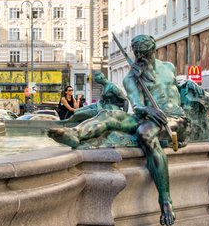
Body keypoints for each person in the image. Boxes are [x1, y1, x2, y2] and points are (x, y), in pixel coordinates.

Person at [49, 35, 195, 226]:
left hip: (176, 120)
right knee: (109, 114)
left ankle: (165, 200)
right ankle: (76, 134)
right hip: (148, 116)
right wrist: (145, 107)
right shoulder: (131, 78)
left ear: (153, 51)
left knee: (145, 132)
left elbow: (177, 91)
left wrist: (190, 88)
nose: (141, 59)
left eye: (145, 55)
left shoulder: (168, 67)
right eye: (138, 56)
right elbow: (136, 105)